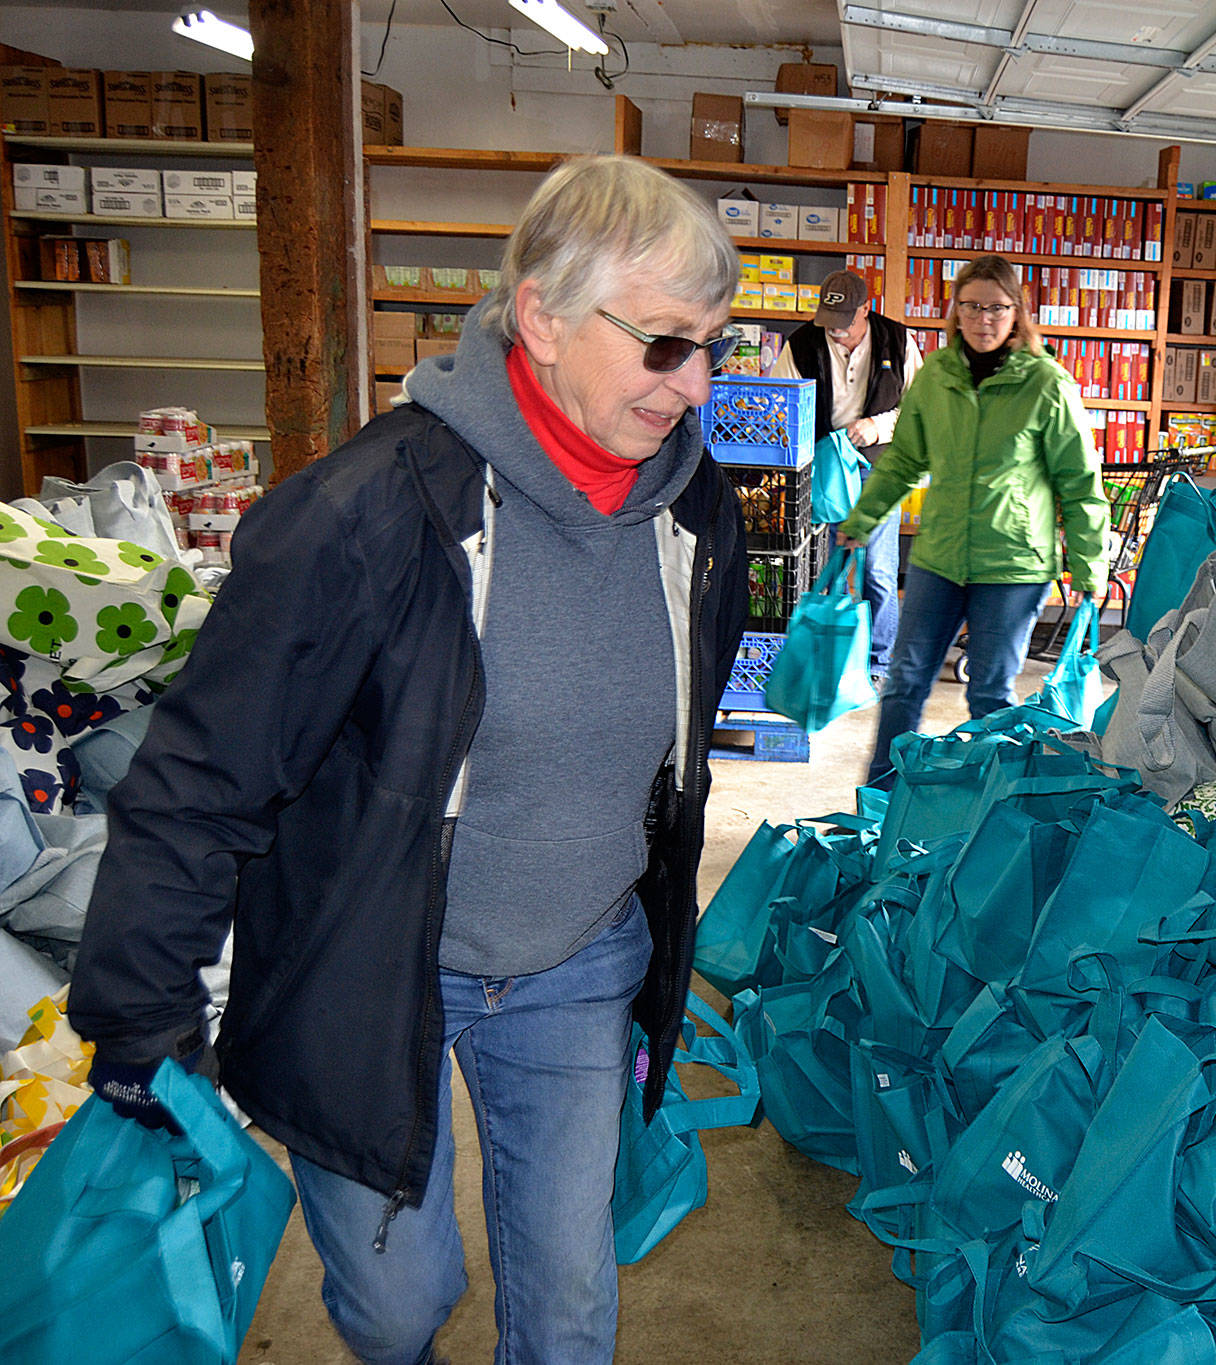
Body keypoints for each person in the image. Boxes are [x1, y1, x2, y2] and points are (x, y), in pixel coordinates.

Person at [67, 154, 750, 1365]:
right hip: (370, 964)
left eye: (713, 344)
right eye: (660, 344)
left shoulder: (697, 516)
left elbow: (678, 753)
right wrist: (138, 1013)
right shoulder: (361, 515)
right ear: (539, 316)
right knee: (397, 1305)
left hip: (578, 959)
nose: (694, 385)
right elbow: (201, 776)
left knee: (574, 1304)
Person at [839, 254, 1109, 786]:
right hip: (940, 558)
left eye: (996, 308)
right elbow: (904, 458)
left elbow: (1080, 484)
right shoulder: (937, 375)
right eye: (971, 307)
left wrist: (1090, 568)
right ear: (955, 311)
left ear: (1017, 312)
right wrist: (864, 516)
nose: (984, 319)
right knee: (904, 682)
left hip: (1012, 565)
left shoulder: (1047, 384)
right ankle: (880, 804)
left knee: (989, 691)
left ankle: (989, 810)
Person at [769, 269, 922, 681]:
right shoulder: (800, 344)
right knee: (819, 564)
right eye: (828, 323)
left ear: (866, 310)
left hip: (880, 467)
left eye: (844, 324)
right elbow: (778, 403)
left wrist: (879, 426)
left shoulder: (898, 340)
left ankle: (879, 662)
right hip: (821, 468)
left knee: (877, 569)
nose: (835, 333)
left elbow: (920, 410)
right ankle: (815, 658)